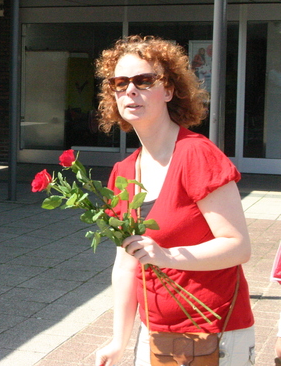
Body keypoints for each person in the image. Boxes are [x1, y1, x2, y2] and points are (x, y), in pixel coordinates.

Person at [93, 35, 255, 366]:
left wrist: (166, 255)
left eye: (144, 80)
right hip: (155, 334)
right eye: (120, 83)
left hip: (213, 333)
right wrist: (117, 341)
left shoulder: (197, 155)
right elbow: (126, 265)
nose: (131, 91)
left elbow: (238, 246)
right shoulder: (124, 172)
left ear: (168, 90)